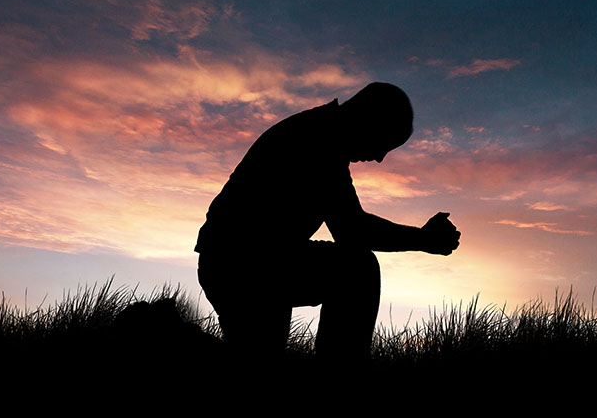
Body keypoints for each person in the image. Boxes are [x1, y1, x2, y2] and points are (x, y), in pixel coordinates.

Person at [195, 82, 460, 359]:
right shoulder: (318, 140)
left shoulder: (322, 133)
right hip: (241, 264)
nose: (380, 158)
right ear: (368, 118)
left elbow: (351, 226)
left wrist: (421, 238)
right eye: (384, 142)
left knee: (259, 353)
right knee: (357, 269)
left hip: (255, 261)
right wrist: (422, 239)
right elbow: (354, 231)